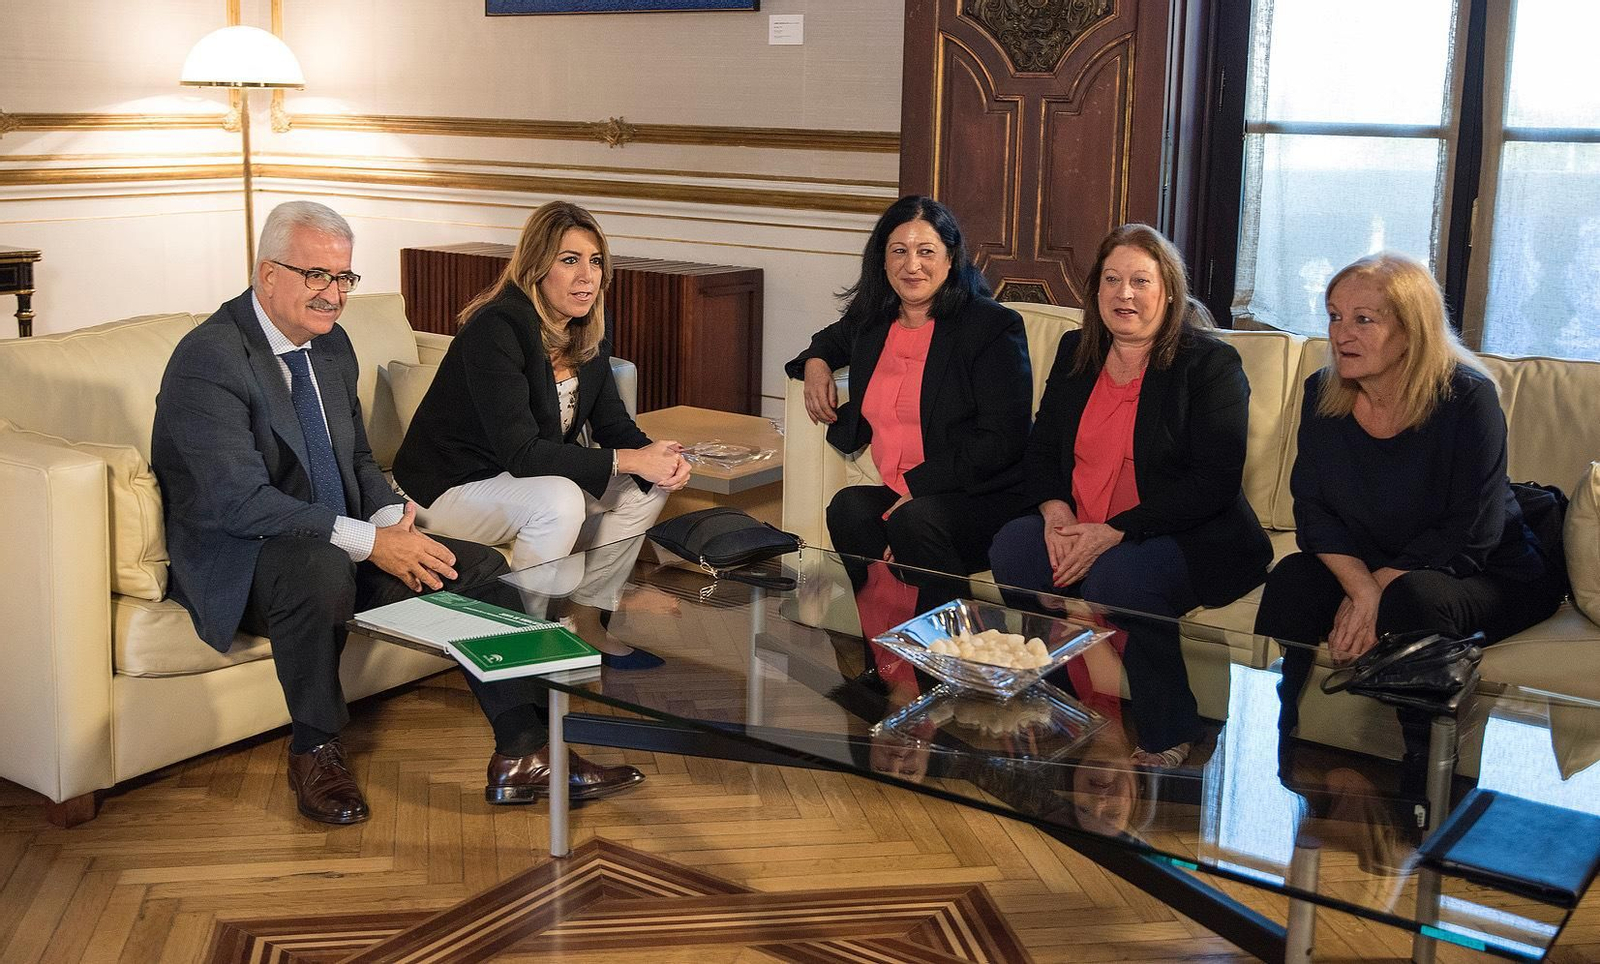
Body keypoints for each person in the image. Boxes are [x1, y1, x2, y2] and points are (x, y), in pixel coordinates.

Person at [151, 201, 643, 826]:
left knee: (481, 569)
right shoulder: (211, 360)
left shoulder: (329, 346)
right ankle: (314, 748)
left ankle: (527, 752)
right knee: (318, 567)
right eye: (316, 276)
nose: (333, 295)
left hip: (336, 538)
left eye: (343, 278)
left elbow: (356, 456)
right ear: (266, 273)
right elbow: (237, 502)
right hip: (247, 556)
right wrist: (369, 542)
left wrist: (390, 514)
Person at [1254, 252, 1565, 756]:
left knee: (1414, 599)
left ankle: (1422, 778)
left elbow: (1473, 530)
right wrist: (1363, 588)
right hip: (1380, 568)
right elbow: (1312, 509)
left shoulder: (1468, 399)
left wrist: (1378, 589)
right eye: (1334, 316)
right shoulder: (1322, 393)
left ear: (1411, 330)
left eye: (1363, 320)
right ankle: (1288, 742)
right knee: (1293, 578)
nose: (1341, 334)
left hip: (1492, 572)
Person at [988, 223, 1271, 768]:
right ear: (1095, 291)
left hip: (1187, 533)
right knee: (1012, 549)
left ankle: (1169, 728)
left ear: (1168, 291)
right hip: (1083, 520)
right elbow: (1042, 449)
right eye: (1113, 280)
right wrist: (1055, 511)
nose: (1125, 294)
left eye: (1141, 281)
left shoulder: (1209, 366)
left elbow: (1213, 481)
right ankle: (1063, 695)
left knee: (1118, 576)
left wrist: (1113, 533)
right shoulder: (1077, 351)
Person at [393, 201, 689, 669]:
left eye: (594, 262)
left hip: (516, 484)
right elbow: (524, 453)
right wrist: (630, 460)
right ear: (535, 266)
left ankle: (585, 619)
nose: (586, 277)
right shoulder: (497, 328)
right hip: (447, 488)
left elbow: (614, 427)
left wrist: (659, 458)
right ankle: (518, 644)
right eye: (569, 260)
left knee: (644, 486)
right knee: (561, 500)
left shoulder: (586, 333)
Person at [786, 195, 1033, 602]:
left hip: (982, 496)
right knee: (848, 508)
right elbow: (829, 340)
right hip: (906, 493)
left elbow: (1002, 439)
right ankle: (876, 654)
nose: (912, 265)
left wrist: (919, 489)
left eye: (926, 251)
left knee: (915, 522)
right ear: (882, 260)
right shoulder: (874, 321)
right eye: (898, 251)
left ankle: (945, 653)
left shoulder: (990, 326)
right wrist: (816, 363)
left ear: (951, 258)